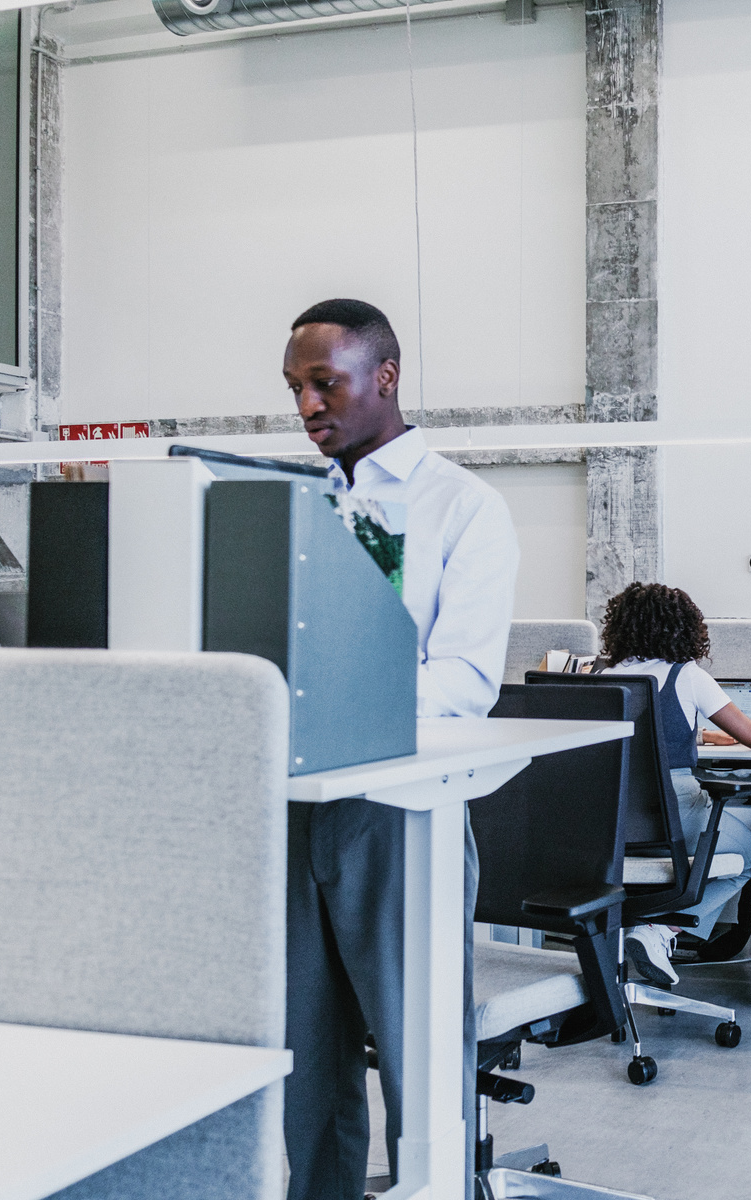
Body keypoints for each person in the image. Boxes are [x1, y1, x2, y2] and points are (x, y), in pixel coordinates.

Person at [280, 298, 518, 1199]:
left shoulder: (462, 505)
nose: (307, 405)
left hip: (399, 813)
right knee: (304, 1061)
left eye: (324, 382)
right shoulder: (293, 505)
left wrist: (336, 701)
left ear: (385, 375)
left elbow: (464, 680)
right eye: (296, 388)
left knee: (418, 1057)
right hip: (294, 806)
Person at [597, 581, 751, 984]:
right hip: (674, 809)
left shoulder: (598, 676)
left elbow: (637, 735)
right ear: (683, 627)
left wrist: (699, 734)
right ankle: (661, 930)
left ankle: (633, 937)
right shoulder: (686, 675)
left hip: (608, 821)